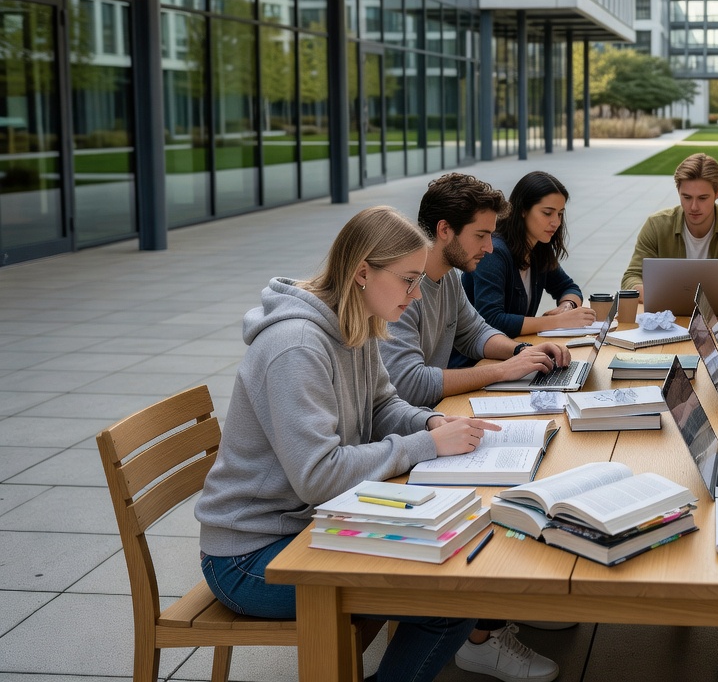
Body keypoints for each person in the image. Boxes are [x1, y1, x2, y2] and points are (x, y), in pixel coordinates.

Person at [195, 205, 539, 682]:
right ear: (362, 272)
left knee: (455, 569)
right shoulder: (296, 346)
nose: (416, 294)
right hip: (252, 557)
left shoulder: (357, 322)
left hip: (308, 524)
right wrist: (427, 445)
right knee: (447, 601)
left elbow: (382, 407)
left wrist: (433, 422)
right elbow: (318, 475)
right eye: (407, 280)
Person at [381, 173, 572, 405]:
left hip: (434, 412)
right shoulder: (400, 287)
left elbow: (475, 333)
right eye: (481, 235)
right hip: (411, 424)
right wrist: (502, 371)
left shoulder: (448, 276)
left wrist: (524, 351)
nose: (489, 248)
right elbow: (409, 385)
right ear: (444, 230)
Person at [463, 171, 597, 337]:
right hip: (477, 359)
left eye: (560, 214)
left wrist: (567, 306)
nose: (556, 222)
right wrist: (558, 322)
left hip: (515, 349)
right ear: (523, 210)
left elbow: (568, 287)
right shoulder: (494, 252)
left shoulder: (538, 248)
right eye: (547, 213)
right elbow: (491, 320)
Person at [621, 152, 718, 304]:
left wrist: (702, 302)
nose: (694, 207)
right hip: (667, 316)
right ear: (678, 192)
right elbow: (631, 278)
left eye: (702, 198)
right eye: (686, 197)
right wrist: (672, 299)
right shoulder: (656, 225)